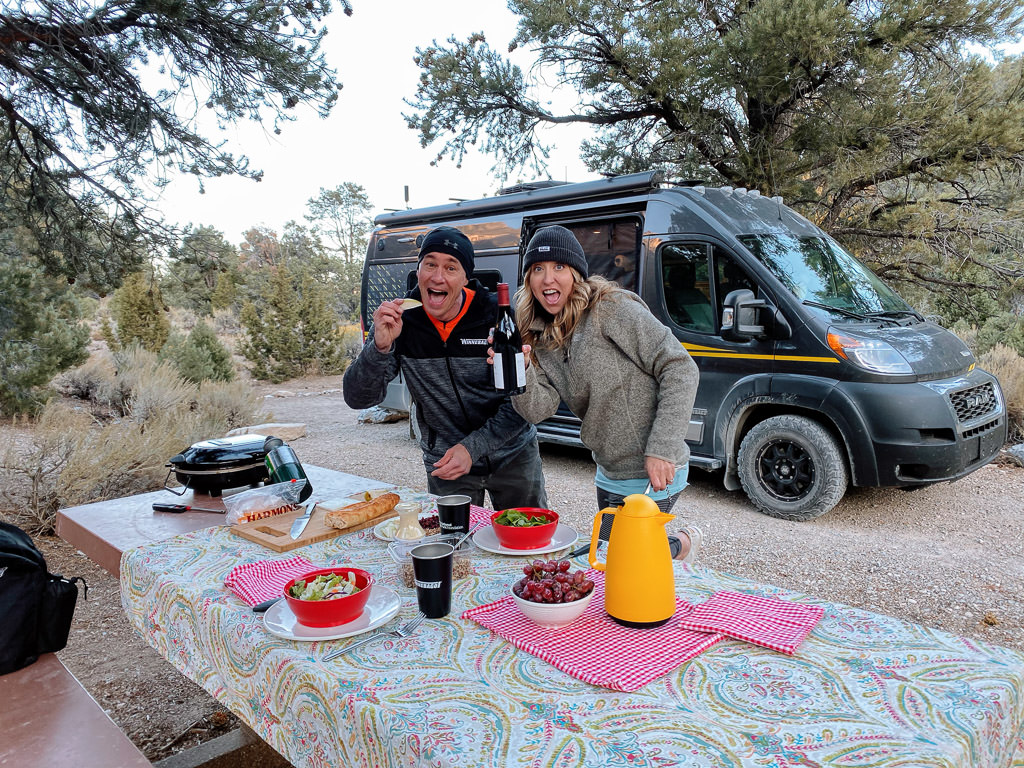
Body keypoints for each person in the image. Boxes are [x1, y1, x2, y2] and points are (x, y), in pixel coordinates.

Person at [504, 225, 702, 561]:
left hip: (652, 469)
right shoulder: (536, 335)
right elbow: (539, 410)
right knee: (610, 555)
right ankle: (676, 545)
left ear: (576, 273)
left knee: (624, 558)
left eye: (559, 267)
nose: (548, 279)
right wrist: (519, 372)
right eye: (537, 269)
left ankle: (682, 543)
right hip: (609, 470)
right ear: (528, 280)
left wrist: (663, 448)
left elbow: (680, 367)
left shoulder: (609, 309)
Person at [343, 226, 547, 511]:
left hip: (512, 456)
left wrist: (472, 448)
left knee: (525, 543)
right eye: (430, 264)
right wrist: (378, 348)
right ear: (418, 269)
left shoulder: (497, 317)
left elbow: (520, 401)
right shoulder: (402, 321)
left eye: (451, 267)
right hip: (446, 460)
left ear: (465, 278)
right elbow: (358, 399)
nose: (437, 276)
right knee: (454, 545)